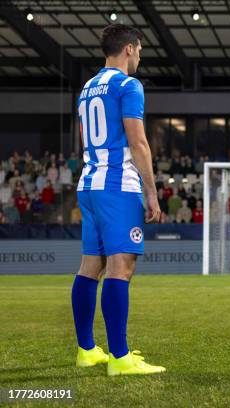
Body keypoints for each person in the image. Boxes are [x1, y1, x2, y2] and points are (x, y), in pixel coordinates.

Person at [71, 24, 164, 376]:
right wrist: (152, 191)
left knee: (90, 267)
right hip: (117, 187)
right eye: (139, 50)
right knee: (121, 267)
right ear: (128, 48)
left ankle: (86, 350)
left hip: (89, 183)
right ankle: (120, 358)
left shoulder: (87, 88)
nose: (139, 57)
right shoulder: (129, 85)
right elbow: (138, 143)